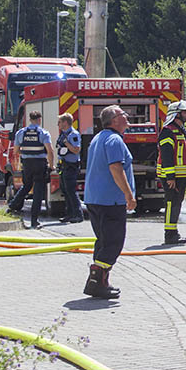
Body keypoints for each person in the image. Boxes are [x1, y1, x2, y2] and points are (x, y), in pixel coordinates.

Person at [82, 105, 136, 300]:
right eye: (123, 114)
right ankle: (96, 282)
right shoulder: (114, 140)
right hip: (110, 201)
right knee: (113, 243)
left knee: (103, 242)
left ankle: (99, 282)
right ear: (113, 120)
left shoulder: (98, 138)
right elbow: (115, 168)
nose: (127, 115)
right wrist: (129, 195)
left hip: (95, 199)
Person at [157, 100, 186, 245]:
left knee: (176, 203)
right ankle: (170, 235)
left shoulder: (180, 130)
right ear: (177, 114)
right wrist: (170, 177)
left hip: (180, 176)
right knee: (172, 203)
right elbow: (166, 156)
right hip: (173, 177)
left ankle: (173, 233)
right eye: (184, 112)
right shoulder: (168, 131)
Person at [9, 109, 54, 228]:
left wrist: (25, 154)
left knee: (26, 186)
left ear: (30, 119)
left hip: (27, 164)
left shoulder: (21, 133)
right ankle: (34, 221)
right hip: (40, 164)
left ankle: (12, 206)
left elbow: (15, 151)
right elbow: (50, 151)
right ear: (39, 120)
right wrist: (51, 165)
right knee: (38, 192)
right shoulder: (43, 133)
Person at [55, 112, 83, 223]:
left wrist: (67, 144)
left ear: (65, 123)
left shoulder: (73, 134)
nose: (58, 124)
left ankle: (78, 214)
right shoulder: (63, 134)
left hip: (71, 166)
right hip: (64, 165)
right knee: (65, 191)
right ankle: (69, 214)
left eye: (60, 122)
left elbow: (77, 150)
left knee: (71, 191)